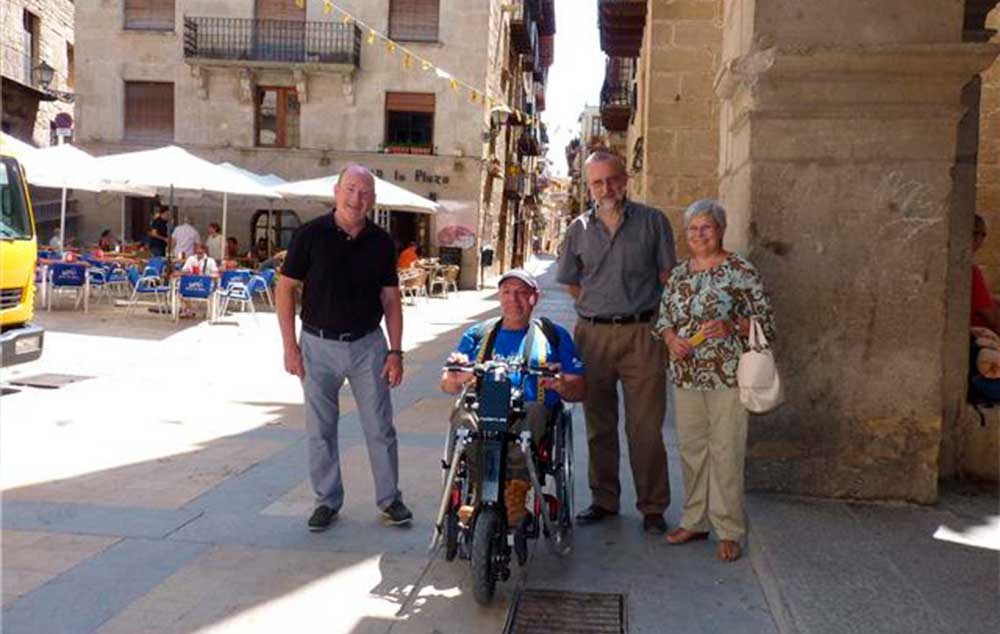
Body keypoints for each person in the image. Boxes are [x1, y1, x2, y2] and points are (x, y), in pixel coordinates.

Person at [276, 164, 411, 531]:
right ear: (336, 192)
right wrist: (290, 347)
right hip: (317, 346)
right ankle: (327, 501)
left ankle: (390, 499)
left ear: (373, 199)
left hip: (368, 346)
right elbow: (285, 289)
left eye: (364, 192)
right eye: (350, 189)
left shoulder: (382, 242)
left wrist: (395, 352)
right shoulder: (309, 235)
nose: (357, 198)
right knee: (320, 430)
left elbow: (391, 299)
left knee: (380, 427)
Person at [556, 150, 677, 534]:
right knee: (598, 424)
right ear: (588, 186)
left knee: (645, 427)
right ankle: (604, 500)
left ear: (625, 179)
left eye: (612, 179)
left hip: (643, 335)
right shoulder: (577, 229)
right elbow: (573, 282)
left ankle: (653, 506)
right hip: (592, 336)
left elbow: (667, 278)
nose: (605, 188)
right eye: (597, 182)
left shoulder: (654, 222)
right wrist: (601, 308)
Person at [652, 199, 775, 563]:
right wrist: (671, 339)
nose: (699, 234)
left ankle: (729, 529)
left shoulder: (740, 270)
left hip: (727, 375)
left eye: (706, 227)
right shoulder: (679, 274)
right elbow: (663, 319)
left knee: (726, 451)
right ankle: (695, 520)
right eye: (693, 229)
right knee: (692, 451)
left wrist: (733, 325)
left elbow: (766, 323)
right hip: (687, 374)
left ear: (721, 229)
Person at [441, 269, 586, 525]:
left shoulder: (554, 336)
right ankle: (479, 486)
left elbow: (579, 388)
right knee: (463, 413)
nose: (513, 299)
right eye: (507, 292)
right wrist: (457, 376)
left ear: (535, 298)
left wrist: (560, 385)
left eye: (521, 293)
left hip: (529, 415)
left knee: (536, 408)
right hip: (484, 413)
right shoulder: (478, 334)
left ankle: (515, 490)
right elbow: (447, 384)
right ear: (499, 296)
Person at [178, 242, 219, 318]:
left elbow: (215, 273)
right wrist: (185, 272)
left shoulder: (210, 261)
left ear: (204, 251)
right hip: (191, 283)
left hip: (204, 285)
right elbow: (184, 270)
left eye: (201, 251)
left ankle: (191, 310)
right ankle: (188, 309)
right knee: (180, 286)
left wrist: (206, 276)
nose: (199, 252)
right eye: (197, 250)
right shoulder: (191, 259)